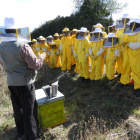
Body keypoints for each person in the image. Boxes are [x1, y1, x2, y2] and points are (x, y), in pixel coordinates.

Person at [0, 17, 46, 140]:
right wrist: (41, 57)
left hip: (11, 82)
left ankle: (21, 133)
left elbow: (3, 64)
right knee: (29, 111)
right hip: (25, 83)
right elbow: (34, 64)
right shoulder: (22, 45)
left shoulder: (1, 46)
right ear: (17, 30)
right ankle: (31, 136)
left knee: (17, 109)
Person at [119, 18, 140, 97]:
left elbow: (138, 45)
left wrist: (128, 44)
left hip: (136, 55)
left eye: (134, 25)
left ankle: (138, 87)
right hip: (127, 54)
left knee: (137, 70)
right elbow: (125, 42)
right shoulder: (128, 33)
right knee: (126, 68)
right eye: (131, 25)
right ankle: (124, 82)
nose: (132, 26)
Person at [115, 14, 131, 78]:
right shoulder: (119, 27)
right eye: (123, 19)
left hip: (126, 47)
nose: (123, 20)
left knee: (126, 61)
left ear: (128, 19)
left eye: (125, 19)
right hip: (119, 47)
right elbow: (117, 36)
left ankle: (127, 74)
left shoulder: (130, 27)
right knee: (119, 61)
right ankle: (120, 72)